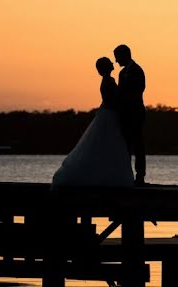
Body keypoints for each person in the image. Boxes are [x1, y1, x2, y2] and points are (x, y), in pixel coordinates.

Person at [51, 57, 135, 188]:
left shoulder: (106, 81)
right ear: (107, 67)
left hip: (107, 114)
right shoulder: (109, 81)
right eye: (109, 63)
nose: (113, 63)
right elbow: (113, 100)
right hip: (110, 116)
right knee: (110, 145)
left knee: (106, 146)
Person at [114, 44, 147, 185]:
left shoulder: (137, 70)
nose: (116, 61)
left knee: (138, 145)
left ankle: (140, 176)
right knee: (125, 146)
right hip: (124, 115)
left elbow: (138, 91)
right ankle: (126, 175)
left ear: (125, 55)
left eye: (117, 57)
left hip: (135, 113)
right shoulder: (122, 73)